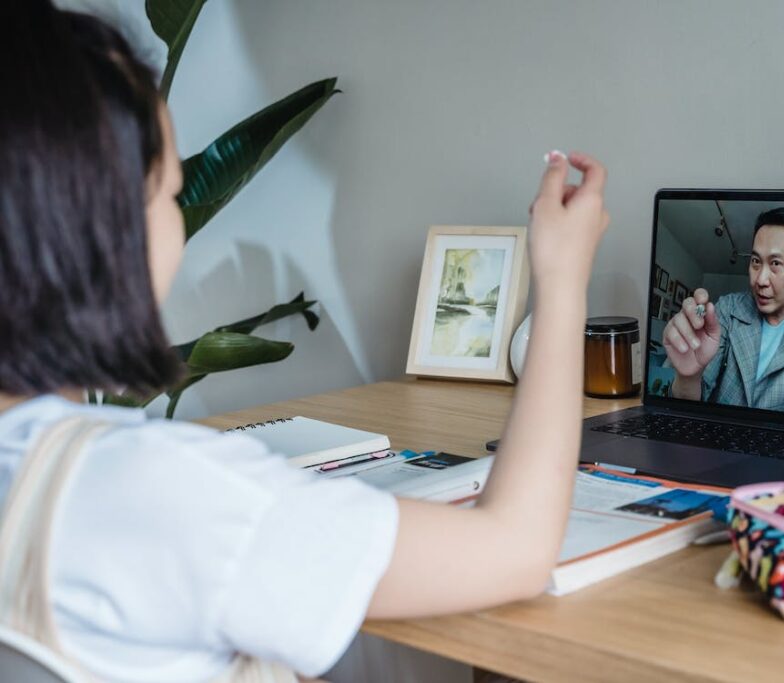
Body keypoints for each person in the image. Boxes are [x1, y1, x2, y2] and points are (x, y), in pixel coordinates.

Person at [0, 3, 609, 681]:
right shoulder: (157, 491)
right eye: (169, 196)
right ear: (91, 231)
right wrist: (561, 285)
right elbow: (516, 549)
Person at [662, 207, 784, 416]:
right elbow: (693, 404)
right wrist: (688, 377)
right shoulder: (727, 309)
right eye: (755, 261)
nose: (760, 280)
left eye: (776, 263)